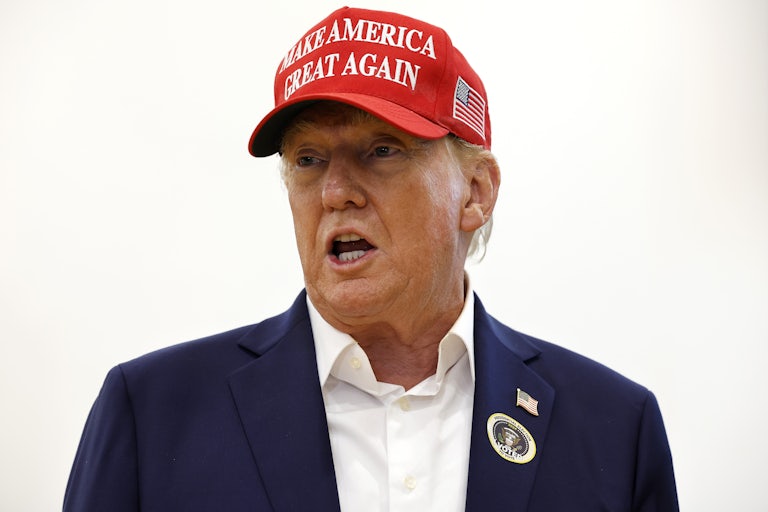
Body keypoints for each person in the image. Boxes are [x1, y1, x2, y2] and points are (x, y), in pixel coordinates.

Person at [64, 6, 678, 511]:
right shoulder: (151, 413)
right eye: (307, 160)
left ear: (475, 192)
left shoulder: (614, 428)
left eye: (382, 150)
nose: (335, 192)